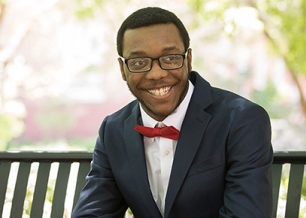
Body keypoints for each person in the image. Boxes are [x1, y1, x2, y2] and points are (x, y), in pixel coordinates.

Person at [72, 7, 273, 218]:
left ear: (188, 59)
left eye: (170, 58)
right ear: (123, 69)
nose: (157, 73)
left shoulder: (242, 120)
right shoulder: (112, 130)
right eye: (139, 62)